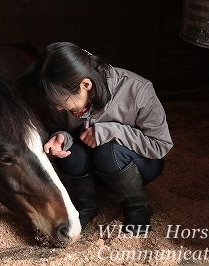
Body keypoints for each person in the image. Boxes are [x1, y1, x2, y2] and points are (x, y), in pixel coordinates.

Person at [26, 42, 173, 235]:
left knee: (108, 152)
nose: (60, 109)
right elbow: (59, 127)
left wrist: (111, 131)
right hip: (93, 169)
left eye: (63, 104)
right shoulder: (60, 98)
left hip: (137, 165)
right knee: (70, 155)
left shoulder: (138, 90)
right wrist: (59, 137)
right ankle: (85, 205)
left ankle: (137, 206)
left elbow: (160, 145)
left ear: (86, 85)